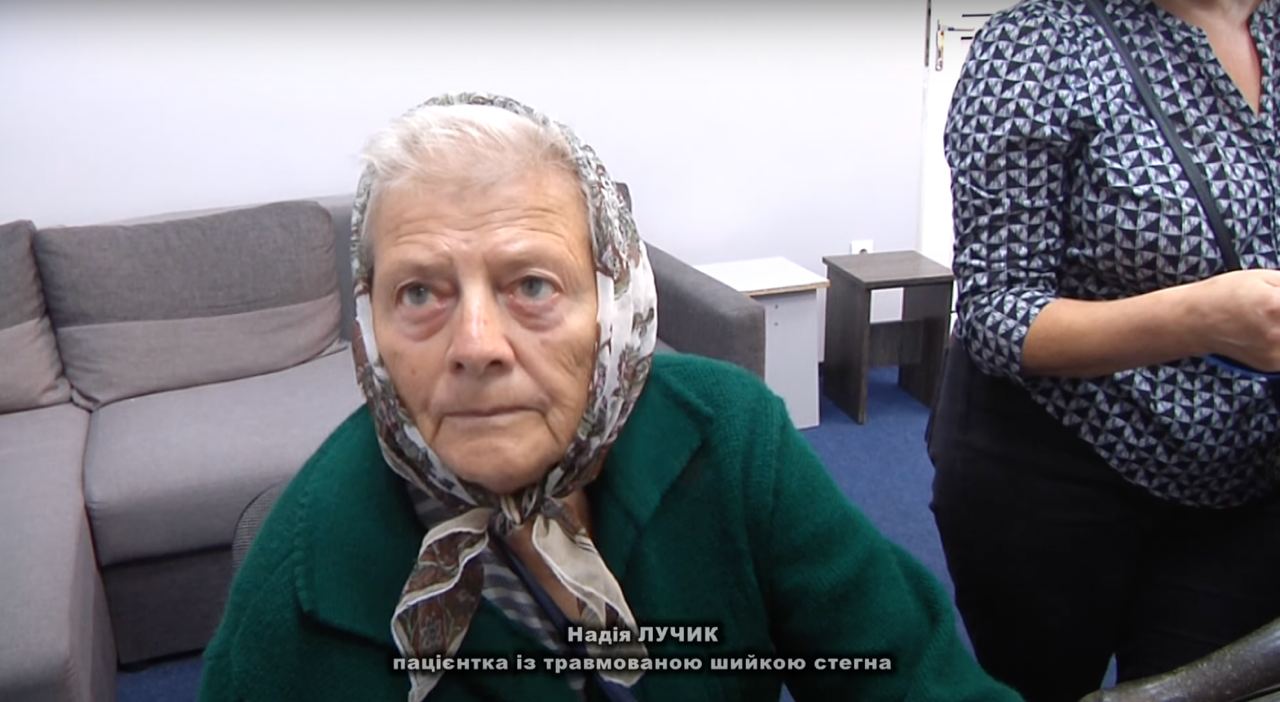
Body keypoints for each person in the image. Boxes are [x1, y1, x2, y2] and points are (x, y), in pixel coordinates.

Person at [199, 92, 1018, 701]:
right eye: (419, 293)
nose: (477, 345)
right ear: (370, 329)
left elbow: (904, 675)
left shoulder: (731, 438)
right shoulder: (295, 588)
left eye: (532, 284)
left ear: (615, 308)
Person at [928, 1, 1280, 701]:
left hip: (1245, 478)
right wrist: (1202, 319)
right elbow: (997, 312)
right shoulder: (1041, 43)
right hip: (1055, 474)